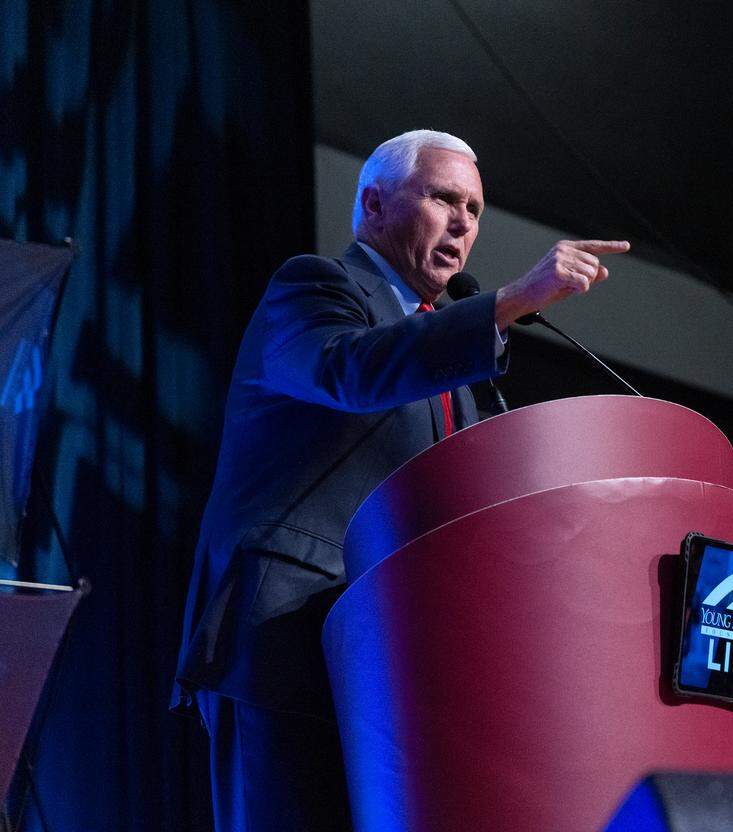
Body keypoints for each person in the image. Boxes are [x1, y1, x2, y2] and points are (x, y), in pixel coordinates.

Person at [171, 129, 629, 831]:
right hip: (286, 645)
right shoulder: (314, 288)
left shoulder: (457, 363)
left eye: (474, 210)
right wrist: (508, 304)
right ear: (375, 204)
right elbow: (353, 372)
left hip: (399, 666)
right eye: (445, 198)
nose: (464, 223)